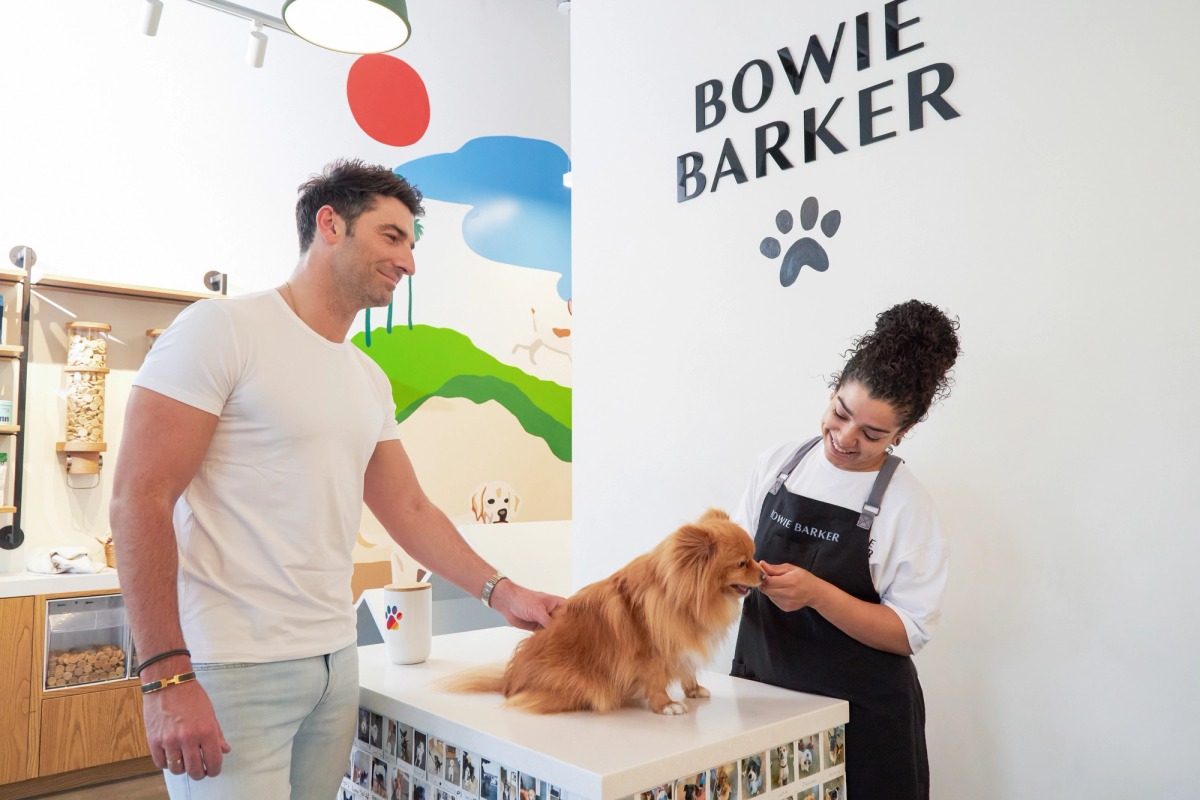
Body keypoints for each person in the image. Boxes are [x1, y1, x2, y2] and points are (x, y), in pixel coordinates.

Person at [110, 159, 561, 799]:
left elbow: (408, 507)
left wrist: (504, 593)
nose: (408, 262)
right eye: (391, 236)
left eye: (411, 244)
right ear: (330, 224)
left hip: (333, 665)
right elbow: (139, 498)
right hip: (233, 669)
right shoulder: (222, 329)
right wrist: (165, 676)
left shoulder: (366, 377)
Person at [730, 299, 961, 800]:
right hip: (765, 700)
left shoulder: (906, 505)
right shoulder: (779, 465)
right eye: (840, 413)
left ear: (903, 433)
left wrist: (818, 594)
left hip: (864, 723)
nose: (845, 438)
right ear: (834, 389)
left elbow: (909, 631)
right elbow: (729, 563)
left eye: (872, 434)